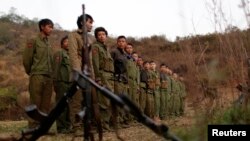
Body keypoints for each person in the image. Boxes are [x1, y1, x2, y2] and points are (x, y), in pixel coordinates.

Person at [23, 18, 54, 128]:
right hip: (37, 75)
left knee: (45, 104)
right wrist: (31, 72)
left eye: (52, 27)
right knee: (35, 102)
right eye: (49, 27)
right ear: (42, 27)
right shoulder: (33, 40)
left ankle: (42, 127)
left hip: (49, 76)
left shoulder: (48, 43)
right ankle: (32, 127)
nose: (51, 29)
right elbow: (27, 59)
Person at [68, 14, 94, 134]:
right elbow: (73, 55)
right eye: (89, 22)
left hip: (88, 74)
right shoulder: (73, 35)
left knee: (87, 101)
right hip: (79, 73)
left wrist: (92, 76)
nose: (91, 25)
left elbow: (90, 60)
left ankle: (86, 126)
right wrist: (78, 73)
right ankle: (76, 127)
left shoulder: (89, 39)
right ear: (83, 23)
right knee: (77, 101)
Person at [91, 27, 114, 131]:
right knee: (104, 101)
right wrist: (98, 78)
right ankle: (102, 125)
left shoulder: (106, 48)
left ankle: (106, 124)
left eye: (103, 34)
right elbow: (95, 64)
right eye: (99, 34)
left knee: (109, 100)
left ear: (106, 36)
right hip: (102, 75)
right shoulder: (96, 47)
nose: (101, 36)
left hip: (110, 76)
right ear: (96, 36)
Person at [53, 36, 72, 133]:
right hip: (61, 82)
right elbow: (56, 68)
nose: (68, 43)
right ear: (62, 43)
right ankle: (61, 127)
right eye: (66, 41)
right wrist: (55, 82)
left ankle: (68, 126)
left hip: (70, 83)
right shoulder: (59, 53)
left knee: (69, 106)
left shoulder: (71, 55)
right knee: (61, 105)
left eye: (70, 42)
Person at [110, 35, 129, 126]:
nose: (121, 43)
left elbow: (126, 69)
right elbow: (110, 66)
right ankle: (116, 122)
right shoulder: (114, 52)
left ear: (125, 43)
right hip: (116, 79)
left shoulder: (125, 54)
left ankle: (122, 120)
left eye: (123, 41)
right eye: (120, 41)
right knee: (117, 100)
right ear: (117, 43)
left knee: (123, 101)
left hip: (123, 80)